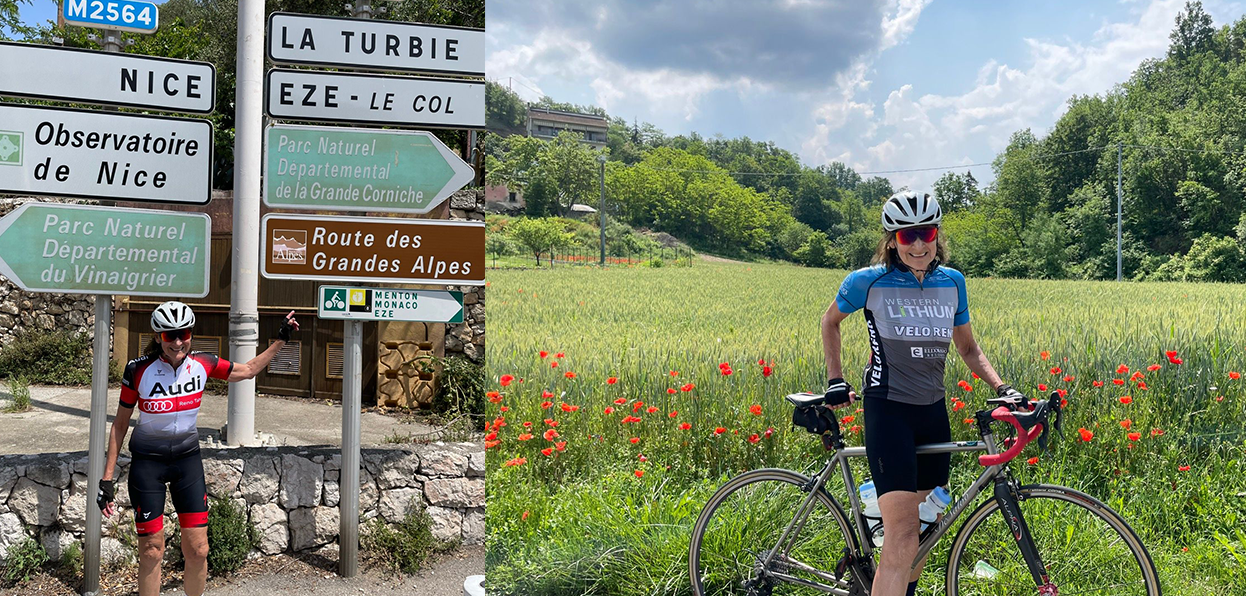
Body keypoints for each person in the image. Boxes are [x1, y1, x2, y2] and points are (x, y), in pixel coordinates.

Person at [820, 191, 1024, 596]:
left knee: (924, 530)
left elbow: (967, 348)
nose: (917, 244)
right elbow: (830, 322)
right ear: (892, 240)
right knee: (902, 536)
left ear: (937, 235)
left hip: (933, 412)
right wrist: (835, 379)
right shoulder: (868, 281)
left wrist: (1003, 387)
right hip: (888, 411)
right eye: (906, 235)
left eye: (925, 233)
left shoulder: (952, 283)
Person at [96, 301, 299, 596]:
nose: (178, 342)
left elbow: (249, 370)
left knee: (199, 549)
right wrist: (106, 479)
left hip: (186, 462)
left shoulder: (202, 364)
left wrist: (281, 339)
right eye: (169, 335)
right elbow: (120, 424)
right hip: (148, 464)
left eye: (184, 333)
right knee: (152, 550)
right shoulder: (138, 370)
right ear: (157, 337)